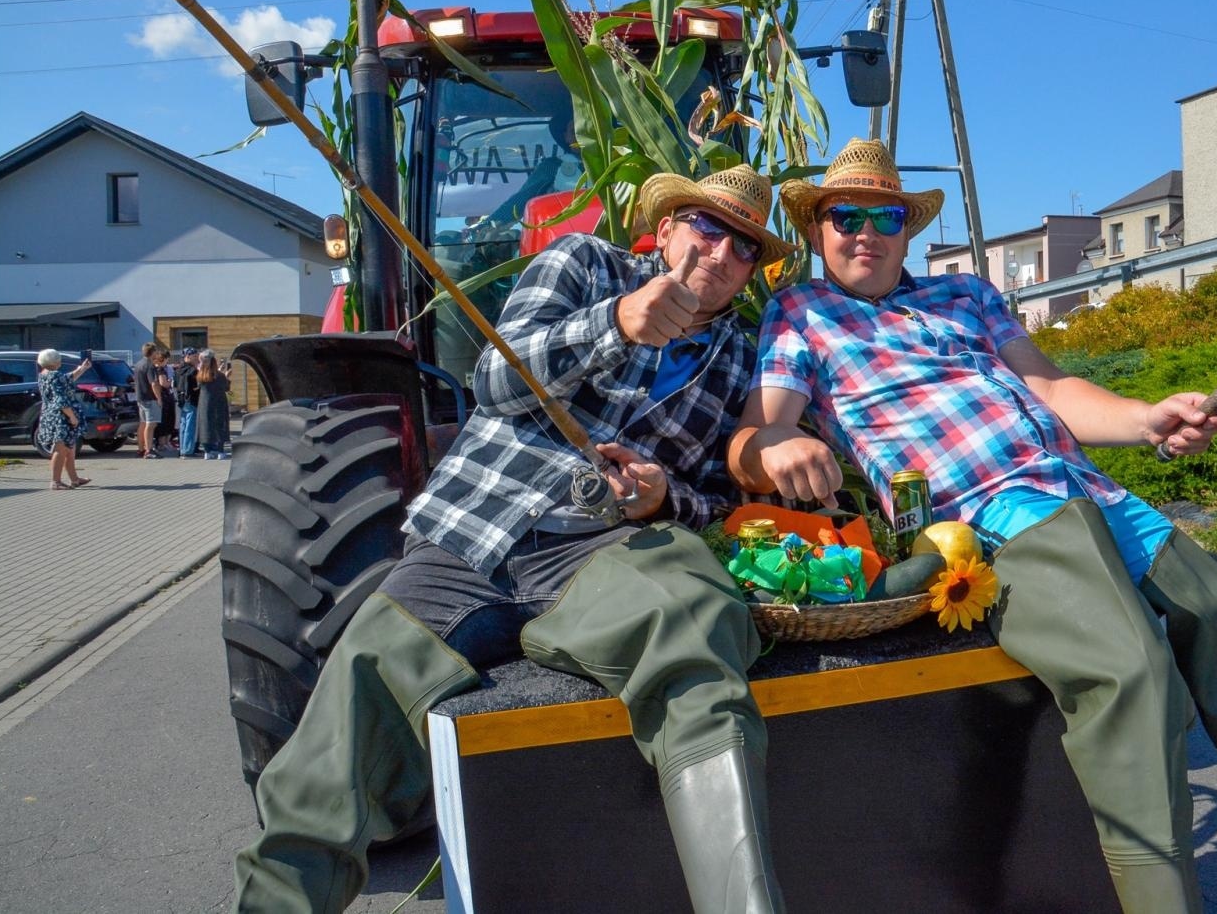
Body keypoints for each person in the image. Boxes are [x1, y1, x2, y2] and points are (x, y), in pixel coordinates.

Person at [728, 138, 1217, 914]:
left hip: (1091, 493)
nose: (863, 230)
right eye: (842, 215)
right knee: (1133, 676)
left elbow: (1052, 387)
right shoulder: (802, 314)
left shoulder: (967, 296)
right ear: (817, 229)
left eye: (883, 214)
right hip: (988, 510)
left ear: (907, 228)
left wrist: (1148, 419)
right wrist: (777, 444)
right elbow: (754, 434)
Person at [232, 165, 797, 914]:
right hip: (474, 535)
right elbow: (496, 377)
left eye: (746, 248)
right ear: (665, 230)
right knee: (350, 702)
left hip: (604, 551)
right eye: (708, 227)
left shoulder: (739, 357)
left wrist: (664, 497)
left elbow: (720, 494)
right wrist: (614, 323)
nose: (722, 253)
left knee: (696, 627)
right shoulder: (581, 264)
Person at [36, 349, 92, 490]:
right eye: (59, 359)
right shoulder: (55, 375)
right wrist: (72, 416)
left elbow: (68, 378)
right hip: (61, 417)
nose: (60, 361)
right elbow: (60, 400)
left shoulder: (44, 374)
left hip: (51, 415)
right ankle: (55, 481)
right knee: (60, 449)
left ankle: (74, 479)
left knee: (70, 448)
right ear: (54, 362)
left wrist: (82, 369)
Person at [132, 341, 166, 459]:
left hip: (140, 397)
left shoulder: (138, 364)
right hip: (149, 398)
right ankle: (148, 450)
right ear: (153, 352)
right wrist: (159, 398)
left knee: (143, 424)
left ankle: (140, 448)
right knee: (150, 424)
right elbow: (154, 383)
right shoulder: (150, 365)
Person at [195, 351, 232, 459]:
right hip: (219, 402)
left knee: (205, 426)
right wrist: (227, 377)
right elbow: (226, 388)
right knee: (220, 425)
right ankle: (220, 451)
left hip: (204, 403)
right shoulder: (220, 376)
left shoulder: (200, 375)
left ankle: (207, 452)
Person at [174, 347, 200, 458]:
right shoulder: (192, 371)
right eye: (194, 357)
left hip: (181, 400)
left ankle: (183, 449)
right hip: (191, 399)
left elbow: (175, 385)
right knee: (190, 426)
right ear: (187, 356)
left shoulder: (178, 370)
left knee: (183, 425)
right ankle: (188, 451)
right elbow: (194, 387)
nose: (196, 359)